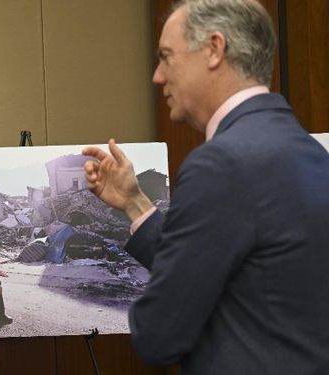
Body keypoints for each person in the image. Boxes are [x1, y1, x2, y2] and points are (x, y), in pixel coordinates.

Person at [83, 0, 329, 374]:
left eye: (167, 57)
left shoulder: (221, 163)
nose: (157, 76)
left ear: (214, 50)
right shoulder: (307, 150)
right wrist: (134, 203)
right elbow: (243, 277)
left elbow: (157, 335)